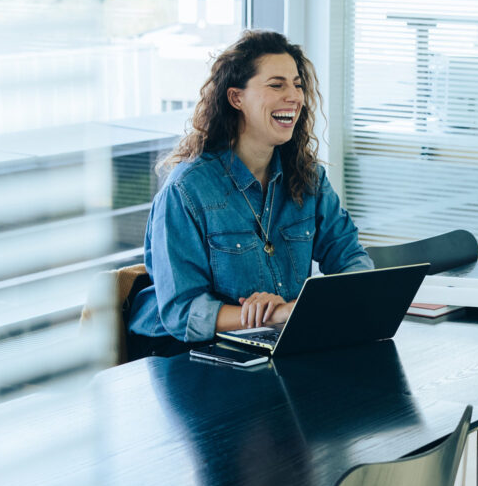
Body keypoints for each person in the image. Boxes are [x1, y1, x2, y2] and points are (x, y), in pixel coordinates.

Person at [127, 30, 372, 357]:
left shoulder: (308, 177)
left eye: (297, 84)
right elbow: (183, 312)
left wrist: (294, 308)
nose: (295, 96)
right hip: (187, 356)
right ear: (236, 98)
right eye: (276, 85)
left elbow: (352, 261)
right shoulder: (186, 191)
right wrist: (278, 313)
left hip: (272, 346)